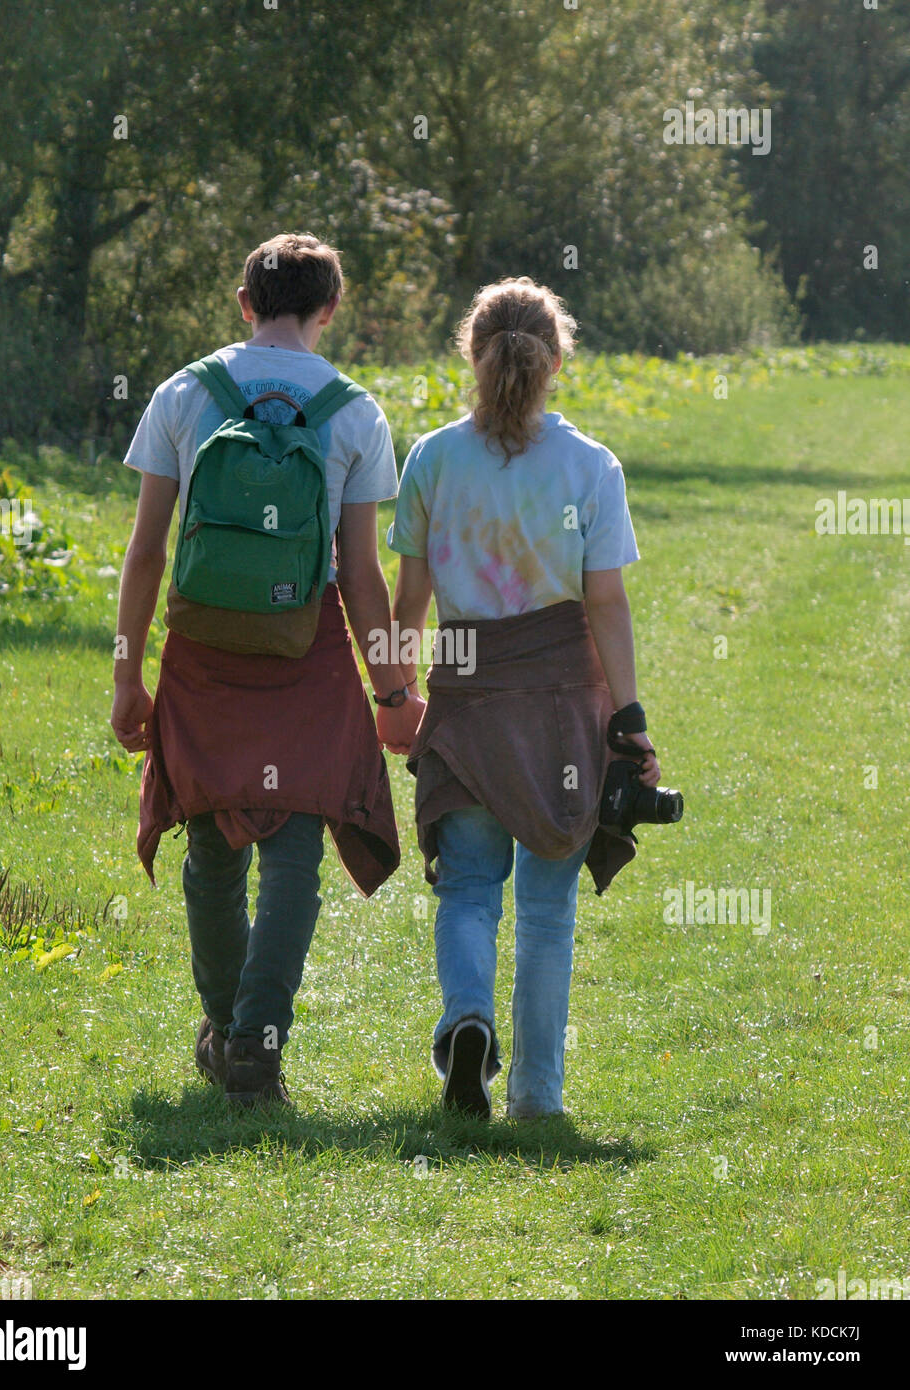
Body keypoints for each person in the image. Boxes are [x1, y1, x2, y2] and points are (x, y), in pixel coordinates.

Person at [111, 232, 424, 1107]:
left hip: (205, 646)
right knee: (294, 845)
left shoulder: (184, 392)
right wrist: (393, 690)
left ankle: (225, 1027)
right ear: (329, 310)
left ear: (243, 303)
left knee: (211, 837)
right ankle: (255, 1042)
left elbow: (145, 554)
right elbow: (361, 576)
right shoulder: (355, 412)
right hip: (305, 643)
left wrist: (125, 675)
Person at [386, 276, 662, 1120]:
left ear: (473, 353)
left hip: (467, 702)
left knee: (468, 888)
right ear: (557, 360)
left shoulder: (433, 457)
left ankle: (466, 1019)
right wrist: (629, 720)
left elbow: (411, 602)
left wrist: (395, 693)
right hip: (559, 711)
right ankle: (538, 1098)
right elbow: (605, 603)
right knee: (546, 913)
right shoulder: (590, 466)